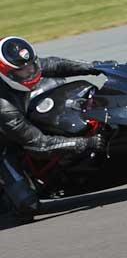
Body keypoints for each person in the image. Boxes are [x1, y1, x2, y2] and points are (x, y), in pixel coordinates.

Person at [0, 36, 107, 220]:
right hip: (4, 146)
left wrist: (94, 67)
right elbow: (39, 145)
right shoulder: (3, 107)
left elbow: (54, 65)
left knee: (55, 85)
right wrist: (85, 143)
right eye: (23, 72)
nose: (30, 73)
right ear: (6, 74)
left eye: (31, 66)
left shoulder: (23, 67)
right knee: (28, 206)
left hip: (21, 119)